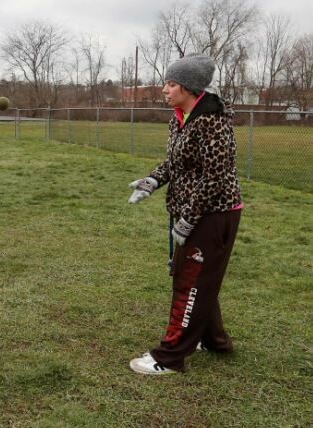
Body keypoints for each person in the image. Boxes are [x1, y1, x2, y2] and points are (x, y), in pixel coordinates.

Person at [127, 53, 243, 375]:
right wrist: (152, 181)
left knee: (189, 282)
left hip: (215, 213)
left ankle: (170, 357)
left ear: (190, 88)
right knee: (199, 279)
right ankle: (215, 341)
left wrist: (188, 217)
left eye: (171, 83)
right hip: (195, 211)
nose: (164, 89)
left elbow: (216, 177)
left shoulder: (213, 121)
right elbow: (175, 163)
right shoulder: (179, 116)